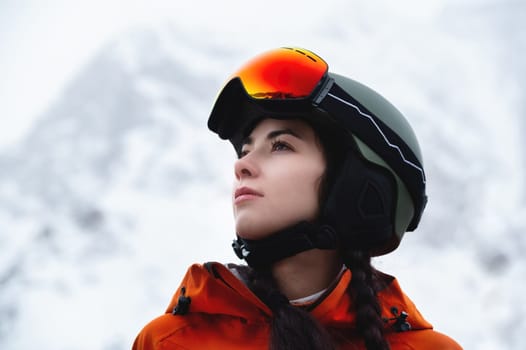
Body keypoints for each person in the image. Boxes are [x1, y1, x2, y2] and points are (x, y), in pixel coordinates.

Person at [132, 47, 462, 350]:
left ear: (353, 185)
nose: (241, 165)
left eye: (280, 146)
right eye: (246, 150)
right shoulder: (168, 342)